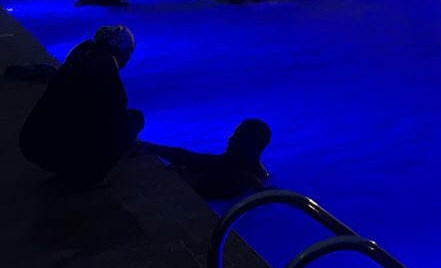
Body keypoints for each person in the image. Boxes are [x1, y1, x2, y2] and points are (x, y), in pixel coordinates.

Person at [19, 25, 144, 186]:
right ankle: (87, 177)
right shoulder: (104, 68)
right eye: (128, 53)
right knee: (133, 120)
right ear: (122, 52)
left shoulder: (80, 56)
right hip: (56, 149)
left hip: (31, 144)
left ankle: (71, 165)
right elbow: (117, 110)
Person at [146, 119, 271, 200]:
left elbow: (187, 158)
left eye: (237, 135)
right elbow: (188, 158)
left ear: (253, 145)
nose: (230, 138)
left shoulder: (246, 176)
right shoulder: (236, 165)